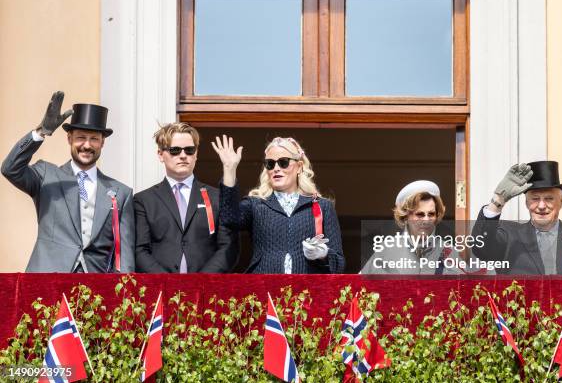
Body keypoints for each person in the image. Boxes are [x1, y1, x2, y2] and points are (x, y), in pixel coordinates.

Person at [1, 91, 135, 272]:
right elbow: (10, 169)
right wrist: (41, 132)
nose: (87, 145)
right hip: (47, 282)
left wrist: (122, 294)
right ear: (69, 138)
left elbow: (125, 254)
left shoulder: (121, 192)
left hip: (96, 287)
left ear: (102, 143)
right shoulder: (46, 175)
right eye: (80, 137)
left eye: (94, 139)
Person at [212, 135, 345, 274]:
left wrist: (322, 254)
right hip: (264, 290)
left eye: (283, 162)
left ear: (299, 167)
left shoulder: (322, 206)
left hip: (307, 292)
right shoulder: (256, 204)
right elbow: (229, 219)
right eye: (270, 163)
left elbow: (339, 264)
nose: (276, 168)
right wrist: (229, 170)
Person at [134, 123, 238, 273]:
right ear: (160, 154)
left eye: (189, 150)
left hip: (206, 288)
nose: (183, 155)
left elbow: (228, 246)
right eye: (175, 150)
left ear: (196, 154)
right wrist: (167, 283)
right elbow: (140, 250)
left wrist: (201, 281)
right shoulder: (144, 200)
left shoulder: (217, 197)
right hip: (160, 290)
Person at [472, 161, 562, 275]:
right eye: (535, 199)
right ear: (526, 203)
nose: (541, 206)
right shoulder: (508, 235)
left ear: (561, 202)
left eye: (549, 199)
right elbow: (481, 248)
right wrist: (498, 200)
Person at [361, 180, 491, 275]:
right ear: (406, 217)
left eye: (431, 214)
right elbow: (359, 293)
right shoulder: (385, 251)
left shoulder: (450, 252)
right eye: (420, 214)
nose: (426, 220)